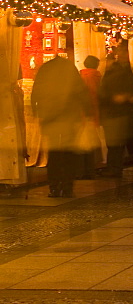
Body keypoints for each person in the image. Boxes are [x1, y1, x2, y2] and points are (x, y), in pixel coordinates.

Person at [31, 53, 90, 198]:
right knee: (68, 153)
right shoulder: (70, 69)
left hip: (50, 117)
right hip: (69, 117)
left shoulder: (45, 69)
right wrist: (87, 112)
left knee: (54, 153)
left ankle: (54, 187)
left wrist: (36, 111)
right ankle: (67, 186)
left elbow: (36, 91)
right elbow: (81, 91)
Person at [98, 42, 133, 179]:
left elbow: (104, 94)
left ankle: (114, 168)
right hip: (117, 113)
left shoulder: (117, 73)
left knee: (114, 144)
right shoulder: (122, 73)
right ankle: (115, 168)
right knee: (115, 144)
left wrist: (123, 98)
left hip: (115, 113)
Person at [79, 54, 102, 179]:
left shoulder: (80, 75)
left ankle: (82, 169)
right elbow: (96, 94)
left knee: (82, 142)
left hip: (81, 113)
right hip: (92, 112)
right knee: (91, 142)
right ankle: (89, 169)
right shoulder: (96, 76)